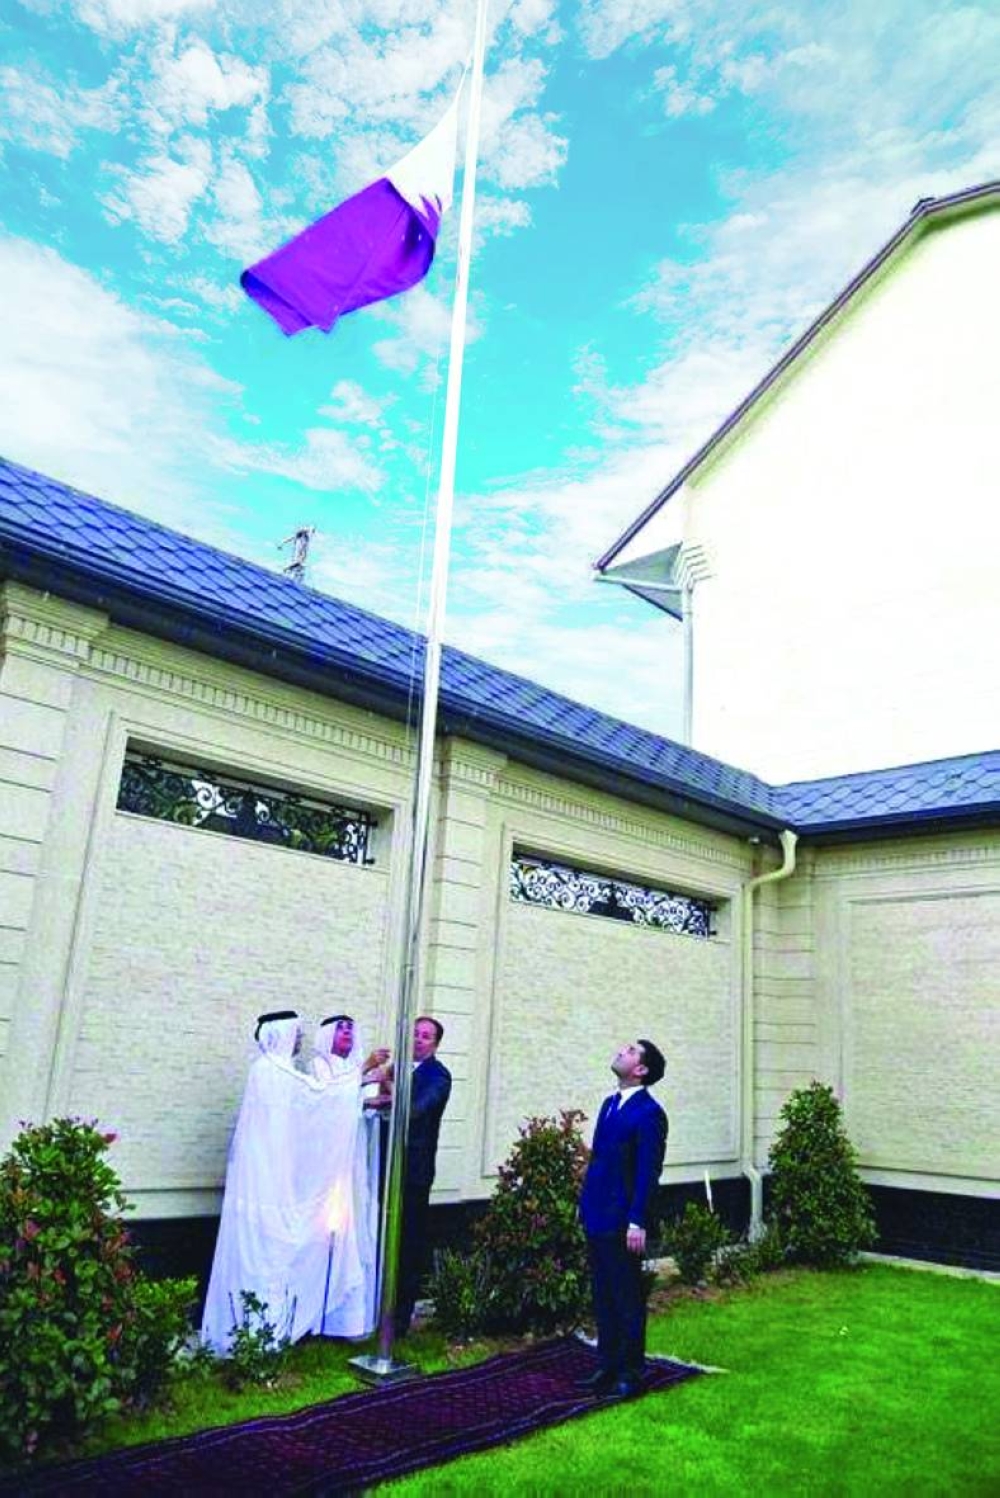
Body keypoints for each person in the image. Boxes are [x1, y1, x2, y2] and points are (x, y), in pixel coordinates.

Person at [201, 1010, 326, 1353]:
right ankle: (260, 1332)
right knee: (267, 1249)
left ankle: (259, 1329)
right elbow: (321, 1098)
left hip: (271, 1171)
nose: (300, 1040)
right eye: (296, 1033)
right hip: (265, 1179)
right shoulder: (274, 1072)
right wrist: (357, 1079)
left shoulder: (273, 1071)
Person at [577, 1038, 668, 1400]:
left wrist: (637, 1220)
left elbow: (649, 1171)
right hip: (596, 1214)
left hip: (622, 1221)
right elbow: (599, 1161)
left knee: (627, 1297)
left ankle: (631, 1373)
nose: (620, 1051)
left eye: (630, 1051)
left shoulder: (649, 1113)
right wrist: (585, 1203)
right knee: (603, 1295)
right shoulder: (609, 1105)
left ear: (642, 1069)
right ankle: (607, 1365)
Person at [378, 1014, 452, 1336]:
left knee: (407, 1245)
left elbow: (419, 1109)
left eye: (425, 1036)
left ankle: (399, 1321)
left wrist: (388, 1094)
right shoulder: (397, 1070)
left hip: (414, 1173)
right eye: (415, 1034)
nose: (418, 1039)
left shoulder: (439, 1076)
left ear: (435, 1044)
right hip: (383, 1167)